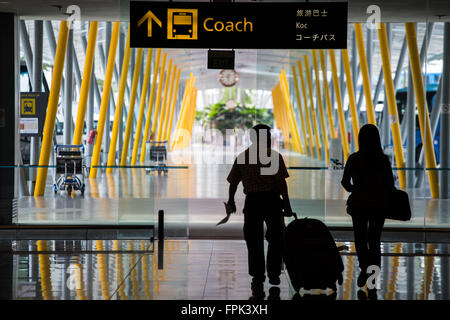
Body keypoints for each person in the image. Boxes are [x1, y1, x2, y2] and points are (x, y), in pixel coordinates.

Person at [226, 124, 293, 298]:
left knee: (253, 240)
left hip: (253, 203)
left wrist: (231, 200)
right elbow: (281, 183)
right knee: (276, 238)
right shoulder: (274, 156)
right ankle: (274, 274)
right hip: (272, 201)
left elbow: (233, 182)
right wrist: (287, 205)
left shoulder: (243, 157)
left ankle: (257, 276)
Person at [341, 124, 395, 293]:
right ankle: (372, 280)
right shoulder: (383, 159)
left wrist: (355, 190)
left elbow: (344, 182)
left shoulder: (354, 158)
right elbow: (390, 185)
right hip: (379, 204)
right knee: (375, 240)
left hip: (359, 204)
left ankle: (364, 268)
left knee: (360, 238)